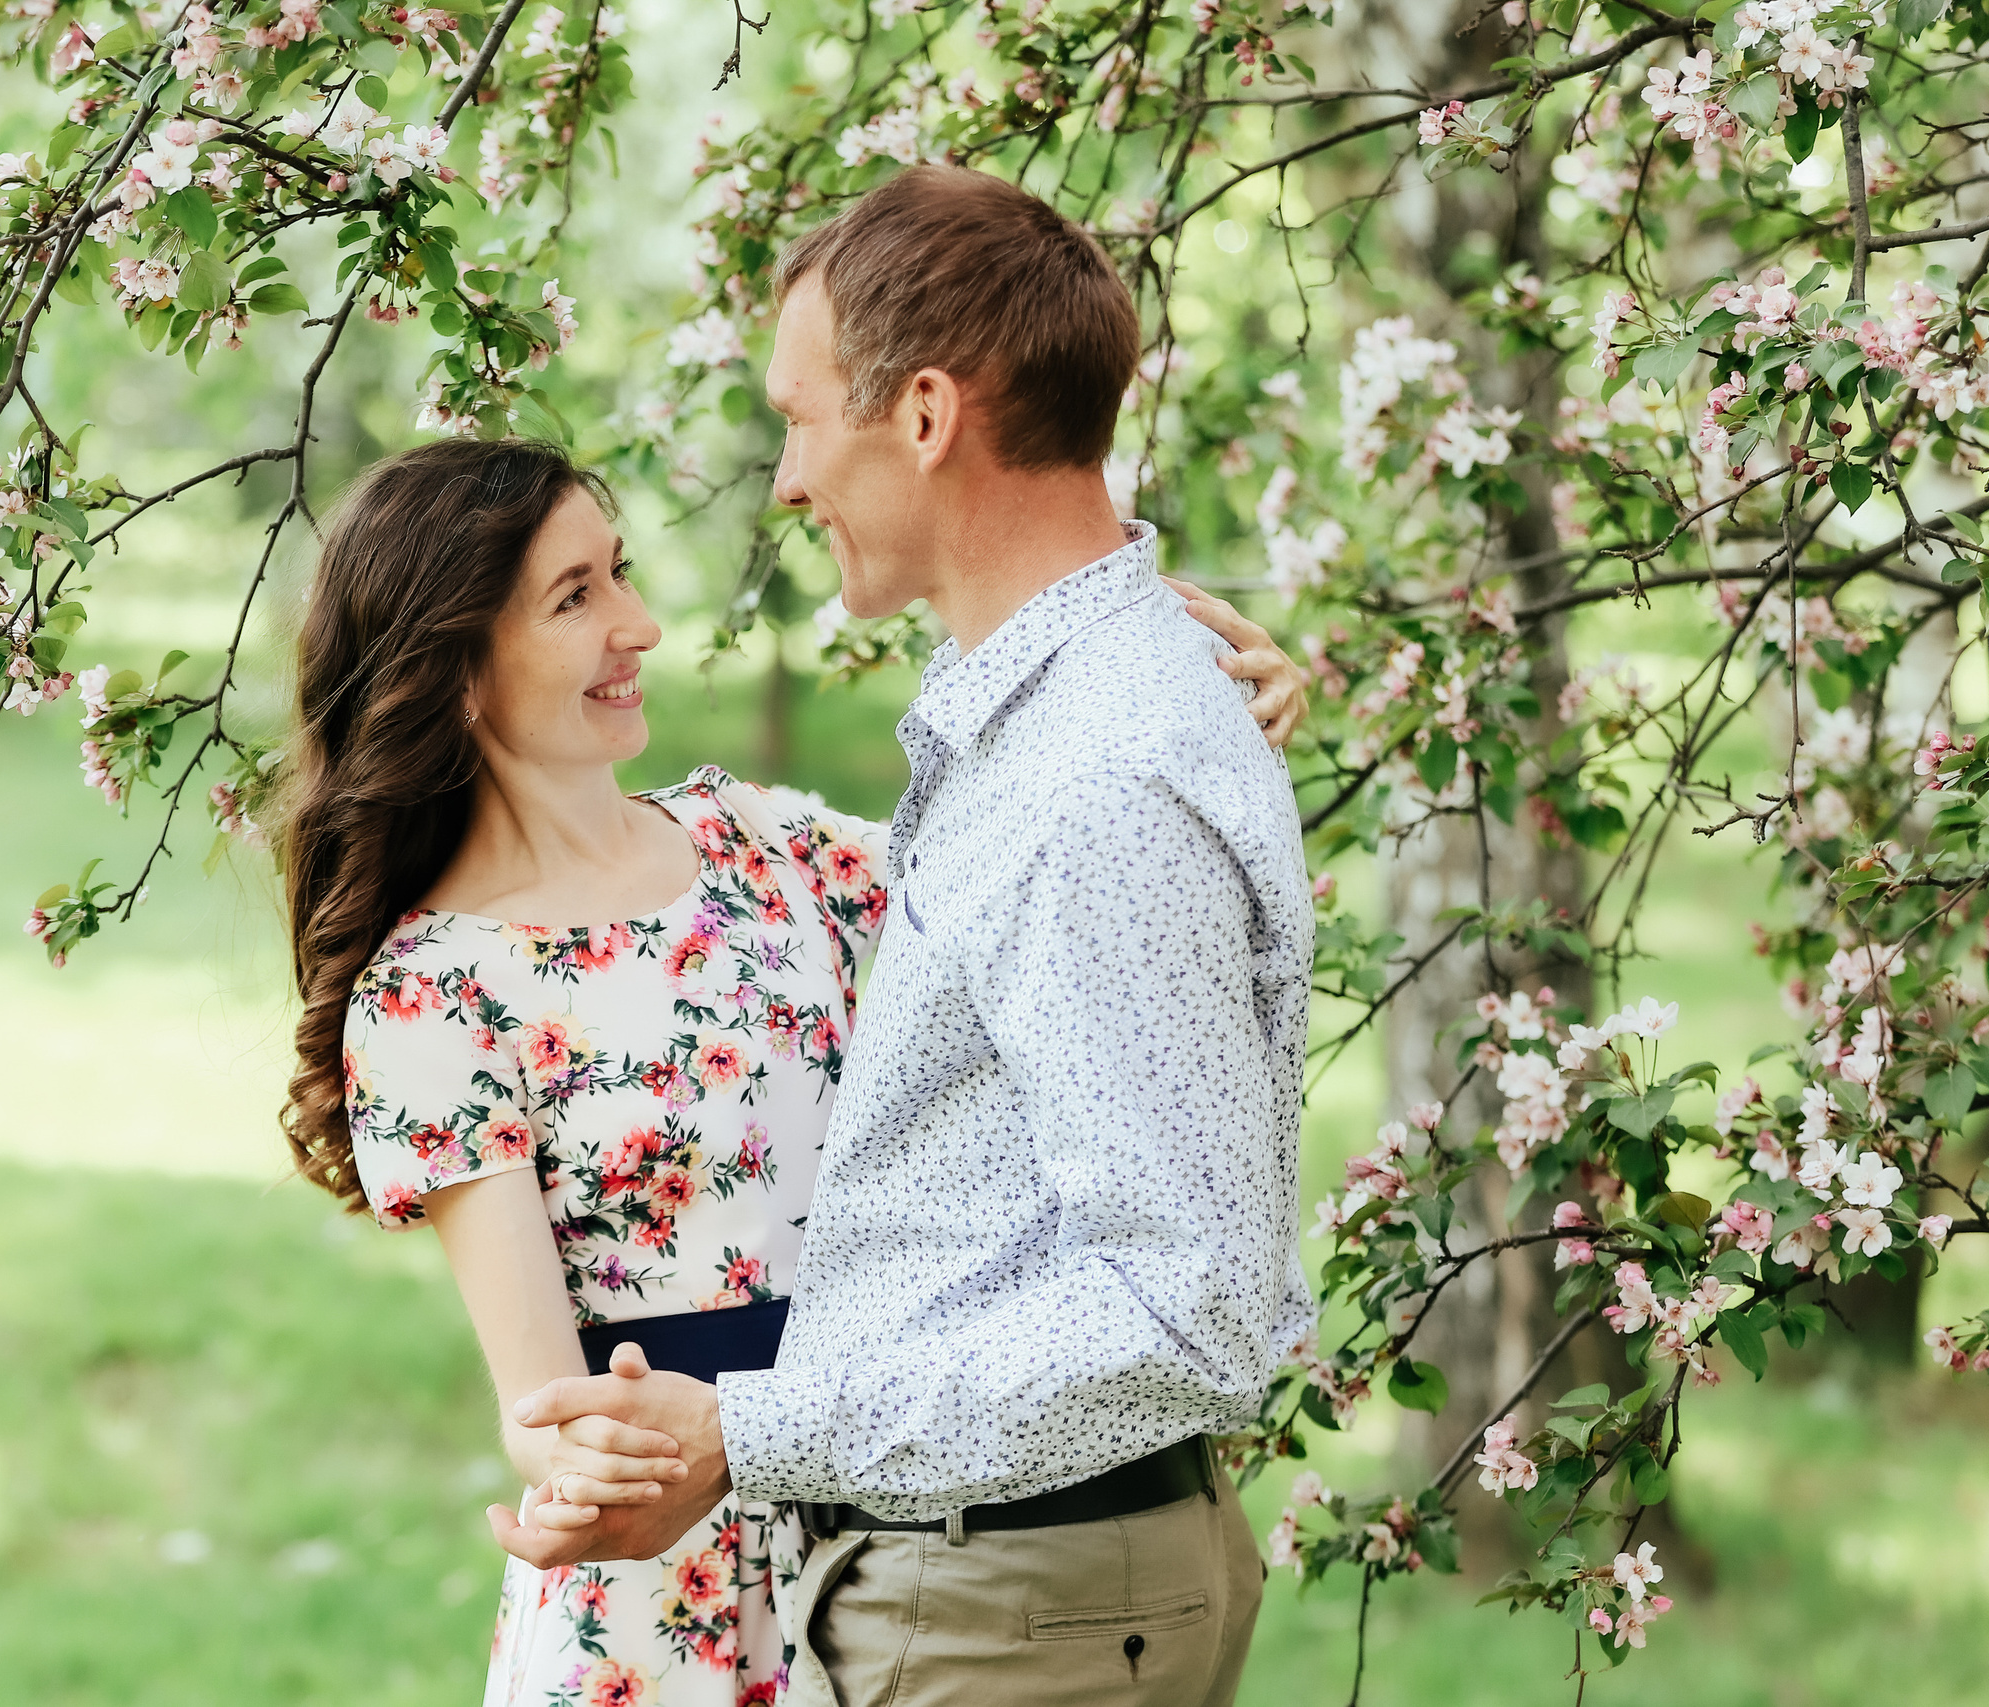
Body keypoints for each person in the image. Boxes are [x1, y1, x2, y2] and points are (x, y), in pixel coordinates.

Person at [277, 430, 1307, 1702]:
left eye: (621, 573)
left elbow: (1055, 873)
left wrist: (1182, 713)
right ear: (460, 672)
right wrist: (581, 1475)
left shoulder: (764, 846)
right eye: (576, 596)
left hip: (901, 1509)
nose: (639, 625)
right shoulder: (434, 993)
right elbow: (540, 1401)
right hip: (670, 1588)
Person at [492, 166, 1317, 1707]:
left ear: (925, 416)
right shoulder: (1075, 723)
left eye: (803, 419)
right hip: (1006, 1590)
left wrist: (750, 1429)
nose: (789, 477)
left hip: (1020, 1606)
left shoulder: (1099, 778)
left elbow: (1180, 1302)